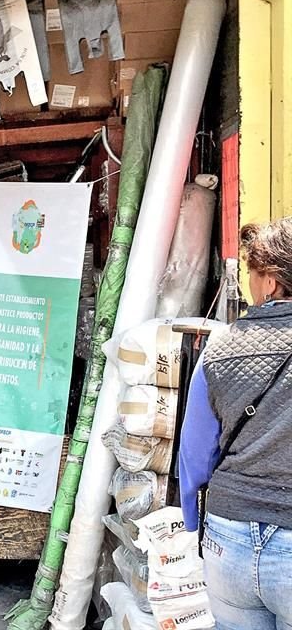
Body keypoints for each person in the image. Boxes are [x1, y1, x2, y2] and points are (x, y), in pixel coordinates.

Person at [178, 219, 292, 630]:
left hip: (229, 541)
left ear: (272, 282)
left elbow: (194, 454)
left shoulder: (221, 345)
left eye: (252, 274)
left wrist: (192, 522)